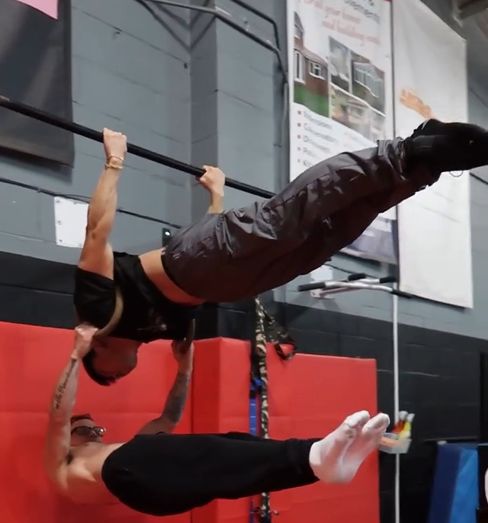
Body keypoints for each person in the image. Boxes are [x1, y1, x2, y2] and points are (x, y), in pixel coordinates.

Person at [75, 119, 488, 385]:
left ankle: (401, 152)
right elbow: (210, 236)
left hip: (191, 262)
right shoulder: (158, 334)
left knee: (286, 218)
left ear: (97, 353)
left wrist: (114, 162)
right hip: (227, 279)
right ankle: (418, 170)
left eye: (107, 378)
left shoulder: (96, 314)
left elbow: (97, 232)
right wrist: (216, 198)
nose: (116, 380)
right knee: (325, 238)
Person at [45, 324, 390, 517]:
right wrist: (77, 353)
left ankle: (316, 465)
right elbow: (60, 414)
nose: (95, 431)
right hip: (130, 480)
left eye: (97, 427)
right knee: (207, 452)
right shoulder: (62, 466)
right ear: (70, 437)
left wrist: (185, 367)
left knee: (234, 447)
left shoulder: (126, 451)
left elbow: (169, 415)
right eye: (85, 427)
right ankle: (313, 456)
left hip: (153, 488)